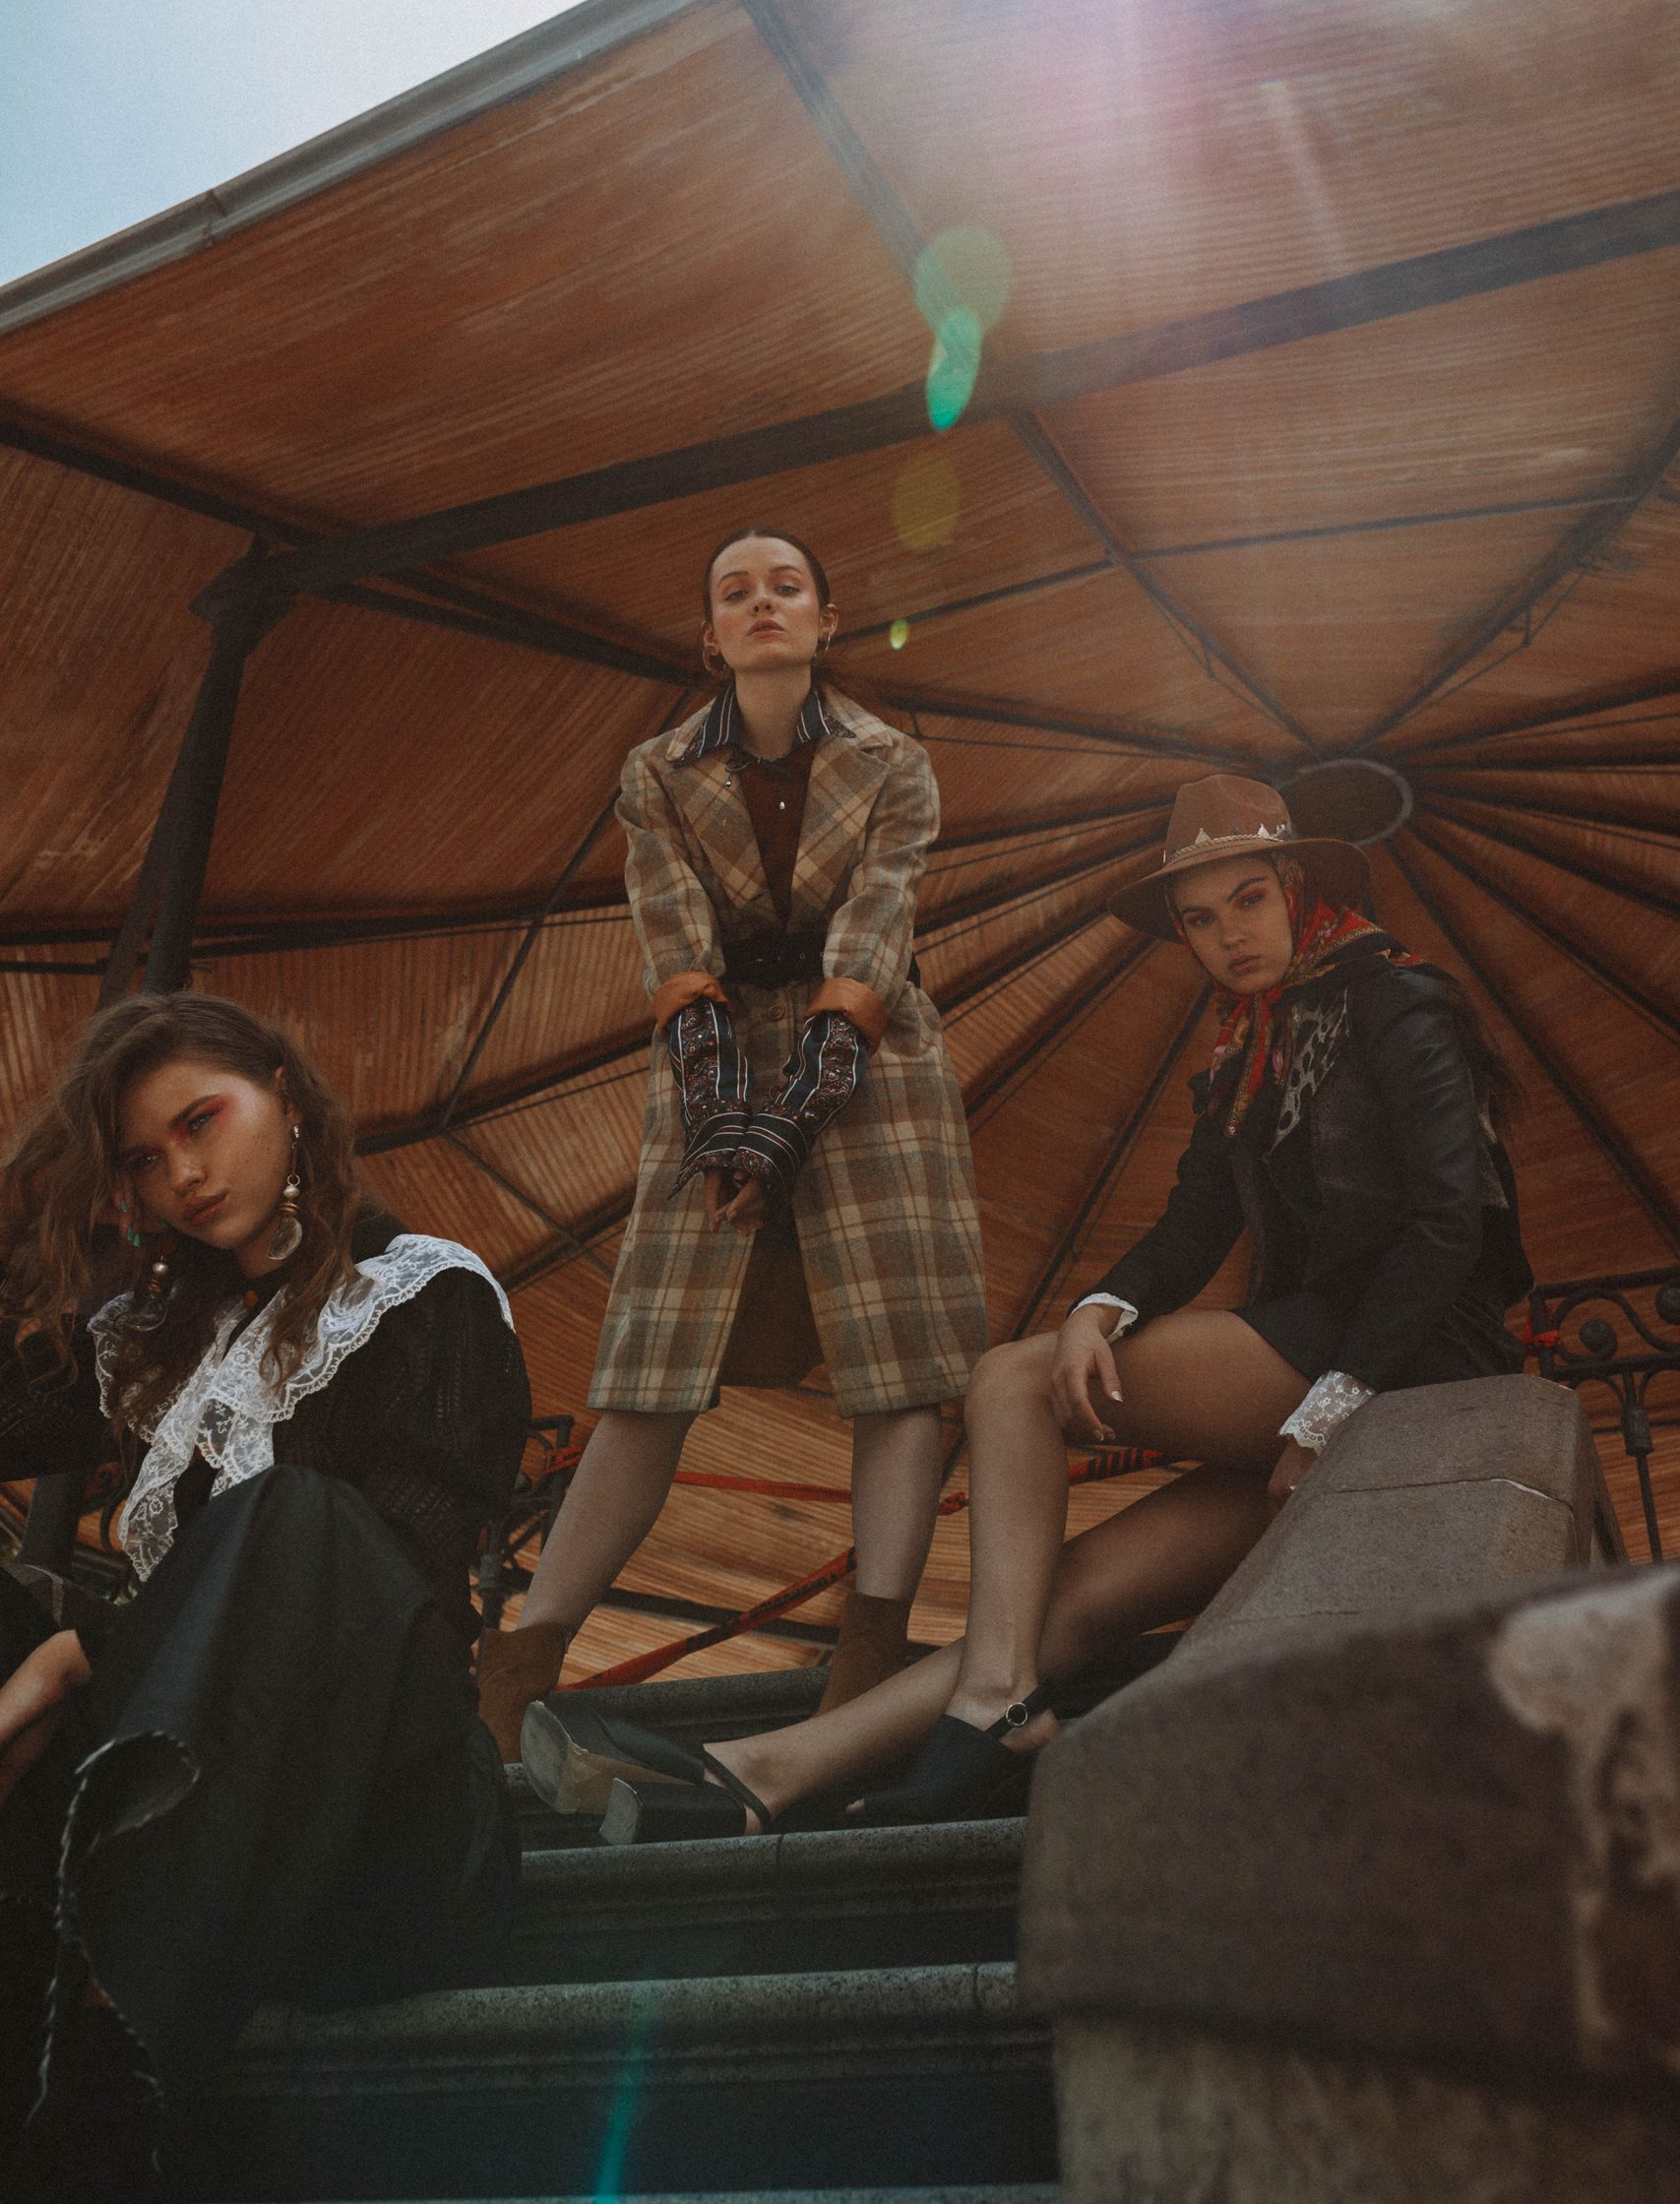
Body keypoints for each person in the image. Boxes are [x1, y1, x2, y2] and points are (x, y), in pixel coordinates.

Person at [520, 772, 1532, 1842]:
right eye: (1198, 918)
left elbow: (1448, 1225)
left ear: (1296, 887)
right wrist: (1100, 1306)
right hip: (1307, 1384)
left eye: (1248, 900)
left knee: (1011, 1380)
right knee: (1070, 1594)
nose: (1227, 935)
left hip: (1408, 1362)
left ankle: (996, 1704)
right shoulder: (1246, 1045)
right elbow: (1191, 1225)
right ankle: (763, 1770)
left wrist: (1328, 1410)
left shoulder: (1399, 1002)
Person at [0, 994, 530, 2201]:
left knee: (293, 1515)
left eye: (202, 1120)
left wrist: (76, 1653)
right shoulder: (149, 1342)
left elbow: (396, 1591)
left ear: (286, 1097)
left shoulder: (423, 1296)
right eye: (141, 1158)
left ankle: (112, 2046)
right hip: (168, 1806)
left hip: (381, 1826)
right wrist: (49, 1196)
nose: (183, 1175)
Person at [478, 529, 987, 1760]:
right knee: (647, 1364)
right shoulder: (655, 771)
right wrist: (722, 1118)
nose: (764, 605)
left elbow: (876, 934)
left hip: (873, 1061)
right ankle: (520, 1666)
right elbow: (672, 936)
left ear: (825, 619)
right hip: (710, 1053)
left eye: (787, 588)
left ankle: (867, 1652)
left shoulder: (895, 762)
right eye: (736, 593)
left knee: (901, 1366)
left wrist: (794, 1115)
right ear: (709, 636)